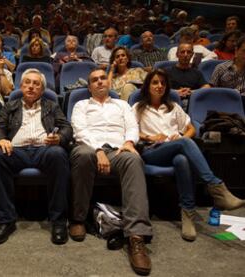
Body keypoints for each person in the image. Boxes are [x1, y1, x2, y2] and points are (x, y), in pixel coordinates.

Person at [133, 69, 245, 241]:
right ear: (147, 86)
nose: (159, 86)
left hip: (174, 148)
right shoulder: (138, 107)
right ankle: (216, 188)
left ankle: (188, 215)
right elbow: (130, 131)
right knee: (185, 145)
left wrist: (179, 139)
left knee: (182, 159)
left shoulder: (174, 107)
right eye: (155, 82)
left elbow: (191, 128)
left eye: (163, 83)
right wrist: (150, 136)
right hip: (151, 150)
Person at [69, 68, 152, 275]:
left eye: (102, 78)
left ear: (109, 82)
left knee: (133, 160)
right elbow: (79, 130)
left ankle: (136, 236)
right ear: (89, 86)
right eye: (94, 80)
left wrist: (129, 142)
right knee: (83, 155)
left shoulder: (123, 105)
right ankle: (78, 218)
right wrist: (97, 150)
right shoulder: (81, 105)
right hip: (88, 147)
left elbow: (132, 126)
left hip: (118, 149)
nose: (99, 82)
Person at [0, 68, 72, 246]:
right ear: (21, 86)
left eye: (36, 84)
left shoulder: (52, 105)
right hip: (17, 150)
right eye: (27, 82)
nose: (31, 87)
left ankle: (58, 221)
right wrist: (1, 139)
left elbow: (66, 127)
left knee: (59, 154)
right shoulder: (10, 106)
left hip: (44, 149)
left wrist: (59, 138)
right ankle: (5, 220)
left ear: (42, 89)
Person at [165, 42, 210, 108]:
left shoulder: (196, 72)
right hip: (172, 101)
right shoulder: (167, 71)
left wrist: (192, 92)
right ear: (177, 54)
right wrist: (175, 92)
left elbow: (207, 86)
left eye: (188, 52)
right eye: (182, 52)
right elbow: (160, 88)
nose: (185, 55)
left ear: (192, 55)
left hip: (192, 102)